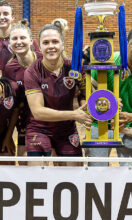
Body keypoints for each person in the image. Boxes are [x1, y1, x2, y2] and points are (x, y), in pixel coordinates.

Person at [85, 26, 132, 166]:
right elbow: (90, 91)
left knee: (129, 173)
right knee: (96, 171)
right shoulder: (109, 60)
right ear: (126, 43)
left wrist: (130, 117)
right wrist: (107, 102)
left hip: (128, 125)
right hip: (99, 123)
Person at [23, 23, 91, 162]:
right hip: (39, 128)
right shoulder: (31, 72)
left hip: (66, 129)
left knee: (74, 174)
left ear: (62, 44)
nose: (51, 46)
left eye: (55, 41)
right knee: (37, 172)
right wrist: (74, 115)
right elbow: (38, 112)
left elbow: (88, 94)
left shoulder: (74, 68)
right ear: (39, 47)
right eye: (46, 42)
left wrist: (101, 104)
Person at [2, 20, 42, 156]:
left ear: (31, 41)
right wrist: (8, 136)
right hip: (25, 121)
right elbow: (14, 105)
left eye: (22, 38)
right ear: (9, 43)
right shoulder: (9, 68)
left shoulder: (44, 60)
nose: (18, 42)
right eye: (15, 38)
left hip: (47, 120)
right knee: (24, 161)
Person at [0, 0, 40, 67]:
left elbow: (39, 62)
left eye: (5, 14)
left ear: (12, 17)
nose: (2, 17)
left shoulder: (24, 39)